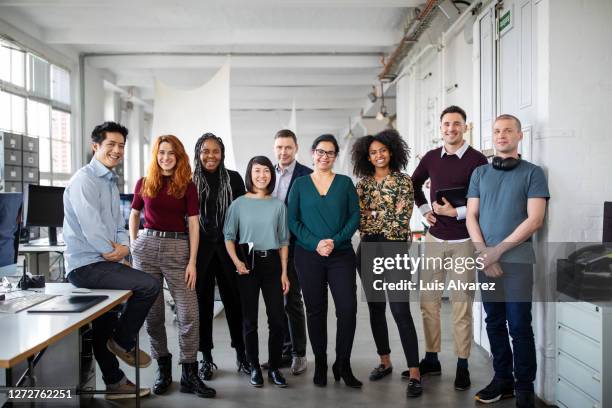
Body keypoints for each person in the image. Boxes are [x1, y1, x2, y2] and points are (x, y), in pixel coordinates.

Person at [63, 121, 160, 400]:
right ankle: (122, 341)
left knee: (103, 322)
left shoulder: (109, 181)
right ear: (96, 146)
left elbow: (119, 224)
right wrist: (114, 253)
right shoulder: (84, 181)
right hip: (87, 266)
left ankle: (115, 383)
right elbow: (92, 229)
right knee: (149, 285)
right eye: (111, 145)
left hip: (105, 261)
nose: (117, 151)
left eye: (121, 146)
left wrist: (124, 248)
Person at [466, 114, 549, 408]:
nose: (501, 135)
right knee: (494, 322)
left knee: (519, 325)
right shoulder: (479, 174)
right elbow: (472, 217)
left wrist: (496, 252)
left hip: (518, 263)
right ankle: (502, 380)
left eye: (508, 131)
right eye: (497, 131)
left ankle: (524, 387)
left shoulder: (533, 173)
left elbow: (535, 219)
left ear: (519, 136)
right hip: (485, 261)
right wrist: (483, 254)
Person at [129, 135, 215, 398]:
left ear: (179, 157)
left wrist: (192, 262)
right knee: (153, 316)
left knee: (189, 313)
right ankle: (163, 369)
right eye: (161, 153)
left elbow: (193, 225)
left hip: (178, 250)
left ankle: (189, 373)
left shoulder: (187, 186)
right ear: (156, 155)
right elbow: (134, 215)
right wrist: (133, 247)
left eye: (171, 154)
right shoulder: (144, 183)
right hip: (147, 248)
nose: (165, 158)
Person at [411, 105, 488, 391]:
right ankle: (431, 358)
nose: (451, 129)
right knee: (428, 302)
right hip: (434, 239)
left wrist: (454, 213)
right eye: (446, 124)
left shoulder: (478, 160)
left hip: (464, 242)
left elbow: (484, 198)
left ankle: (463, 364)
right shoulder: (431, 158)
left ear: (465, 127)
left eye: (456, 124)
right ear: (440, 128)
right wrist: (424, 210)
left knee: (460, 305)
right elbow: (414, 184)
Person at [352, 129, 423, 398]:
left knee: (401, 310)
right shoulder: (363, 185)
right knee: (375, 308)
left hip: (394, 249)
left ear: (391, 151)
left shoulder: (403, 181)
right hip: (368, 248)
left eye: (382, 150)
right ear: (367, 157)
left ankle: (415, 371)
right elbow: (360, 220)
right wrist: (380, 215)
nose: (378, 155)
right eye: (373, 152)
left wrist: (373, 214)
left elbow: (400, 220)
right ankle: (385, 361)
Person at [288, 134, 362, 388]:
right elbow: (292, 221)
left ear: (335, 156)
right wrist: (315, 243)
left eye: (330, 153)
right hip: (308, 256)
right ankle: (320, 362)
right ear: (312, 153)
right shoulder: (299, 184)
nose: (324, 156)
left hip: (340, 254)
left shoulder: (345, 183)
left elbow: (355, 216)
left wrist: (334, 240)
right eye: (320, 151)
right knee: (316, 310)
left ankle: (343, 362)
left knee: (348, 309)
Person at [224, 156, 291, 388]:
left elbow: (284, 241)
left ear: (271, 175)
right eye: (257, 171)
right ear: (250, 174)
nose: (262, 175)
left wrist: (284, 272)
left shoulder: (278, 205)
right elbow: (229, 237)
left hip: (272, 264)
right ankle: (254, 367)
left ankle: (273, 367)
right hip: (247, 266)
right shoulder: (239, 204)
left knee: (277, 320)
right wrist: (236, 263)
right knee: (249, 321)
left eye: (266, 171)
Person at [192, 133, 249, 380]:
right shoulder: (188, 181)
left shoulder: (234, 179)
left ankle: (242, 356)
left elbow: (243, 217)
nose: (211, 156)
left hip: (230, 252)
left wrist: (244, 254)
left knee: (235, 305)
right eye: (206, 151)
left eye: (216, 151)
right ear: (198, 153)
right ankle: (206, 358)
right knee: (202, 307)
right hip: (201, 253)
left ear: (222, 154)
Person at [270, 129, 311, 375]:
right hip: (269, 247)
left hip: (295, 247)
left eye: (288, 147)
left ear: (296, 148)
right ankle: (283, 352)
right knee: (276, 302)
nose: (283, 152)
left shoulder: (306, 175)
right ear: (274, 148)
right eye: (279, 147)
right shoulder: (265, 173)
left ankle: (299, 354)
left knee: (292, 301)